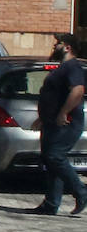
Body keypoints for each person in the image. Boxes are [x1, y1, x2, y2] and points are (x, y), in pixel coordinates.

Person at [28, 33, 87, 215]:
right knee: (50, 160)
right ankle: (51, 204)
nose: (55, 46)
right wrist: (43, 117)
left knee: (54, 156)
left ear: (67, 47)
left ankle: (82, 191)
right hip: (52, 123)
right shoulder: (62, 68)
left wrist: (63, 112)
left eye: (58, 43)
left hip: (66, 123)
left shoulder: (72, 67)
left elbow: (78, 91)